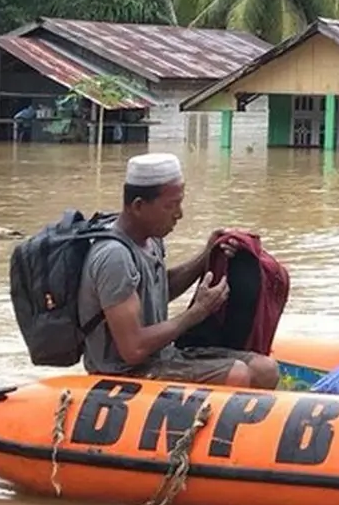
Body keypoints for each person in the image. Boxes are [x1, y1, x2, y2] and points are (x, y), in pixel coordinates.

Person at [77, 152, 281, 389]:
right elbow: (133, 349)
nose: (179, 214)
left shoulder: (151, 239)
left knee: (266, 370)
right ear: (139, 206)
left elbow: (160, 288)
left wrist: (207, 254)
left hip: (162, 356)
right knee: (237, 374)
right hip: (125, 371)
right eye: (171, 206)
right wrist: (197, 312)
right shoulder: (114, 256)